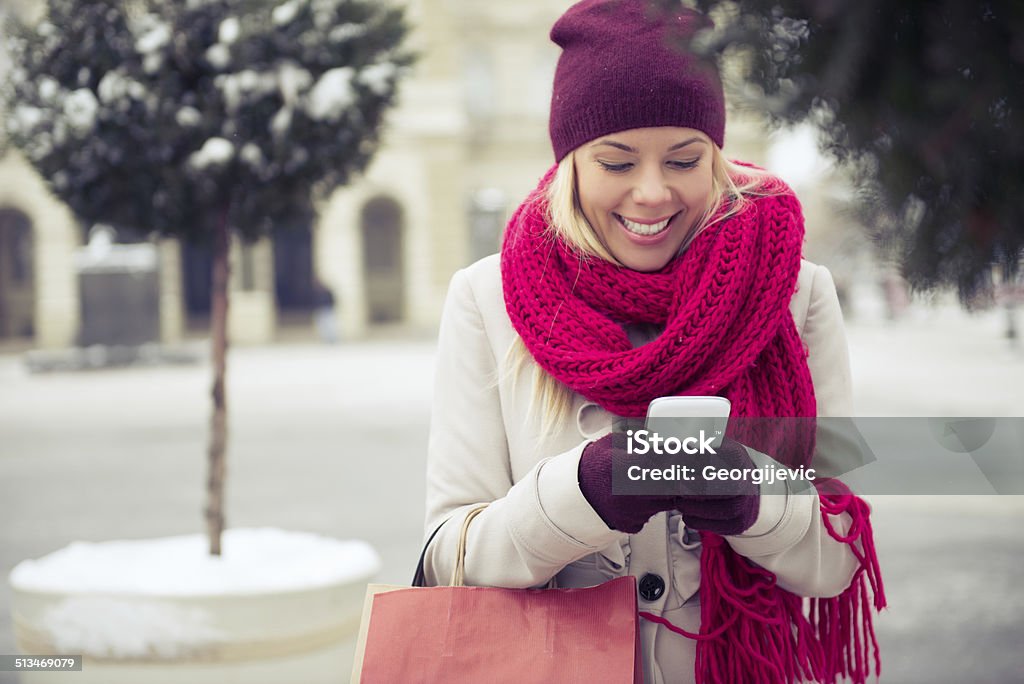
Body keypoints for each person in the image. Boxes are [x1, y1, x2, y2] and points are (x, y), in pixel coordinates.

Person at [421, 1, 885, 682]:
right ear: (572, 162)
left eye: (683, 158)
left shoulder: (795, 291)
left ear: (716, 158)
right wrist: (583, 491)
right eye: (615, 162)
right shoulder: (485, 299)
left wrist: (752, 500)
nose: (651, 192)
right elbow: (447, 558)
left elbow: (839, 555)